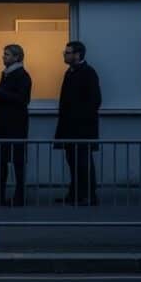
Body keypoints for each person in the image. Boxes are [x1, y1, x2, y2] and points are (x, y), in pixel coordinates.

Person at [55, 40, 101, 206]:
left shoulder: (88, 73)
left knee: (83, 161)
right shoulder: (71, 72)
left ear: (77, 54)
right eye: (65, 52)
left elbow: (95, 100)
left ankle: (88, 195)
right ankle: (75, 193)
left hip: (82, 128)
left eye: (67, 52)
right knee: (73, 161)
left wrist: (80, 118)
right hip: (70, 126)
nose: (64, 55)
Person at [0, 44, 32, 207]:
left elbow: (22, 99)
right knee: (2, 161)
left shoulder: (22, 75)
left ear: (17, 57)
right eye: (4, 54)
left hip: (15, 125)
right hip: (4, 124)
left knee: (17, 161)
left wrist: (0, 92)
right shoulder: (7, 74)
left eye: (7, 54)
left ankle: (18, 196)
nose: (3, 57)